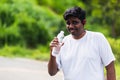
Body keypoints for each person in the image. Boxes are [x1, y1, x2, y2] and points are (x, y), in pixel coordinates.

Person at [48, 6, 116, 80]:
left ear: (84, 22)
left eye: (75, 22)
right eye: (68, 23)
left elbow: (110, 68)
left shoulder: (98, 38)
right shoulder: (63, 43)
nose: (71, 26)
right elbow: (52, 72)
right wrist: (53, 53)